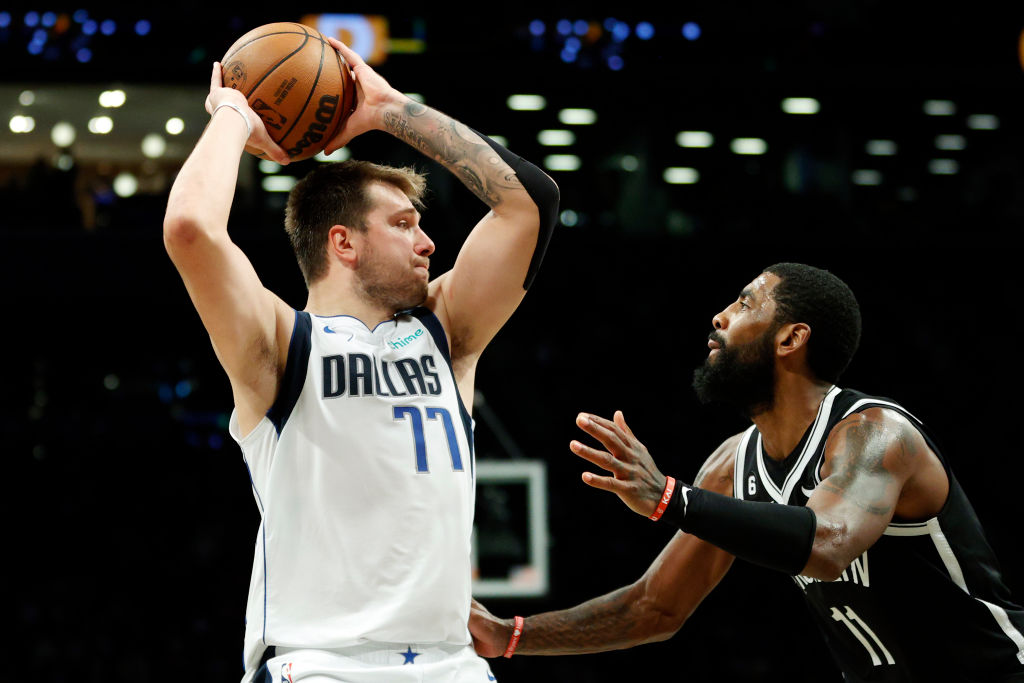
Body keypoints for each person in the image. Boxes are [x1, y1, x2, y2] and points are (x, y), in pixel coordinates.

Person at [163, 36, 558, 683]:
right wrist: (235, 112)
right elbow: (190, 230)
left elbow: (530, 205)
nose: (429, 243)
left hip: (450, 664)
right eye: (404, 223)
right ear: (342, 242)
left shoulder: (446, 331)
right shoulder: (280, 343)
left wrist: (390, 109)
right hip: (319, 664)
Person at [470, 263, 1024, 682]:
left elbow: (828, 544)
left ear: (790, 338)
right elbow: (654, 607)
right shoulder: (734, 463)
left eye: (744, 302)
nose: (720, 316)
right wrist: (510, 635)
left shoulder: (875, 435)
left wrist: (670, 498)